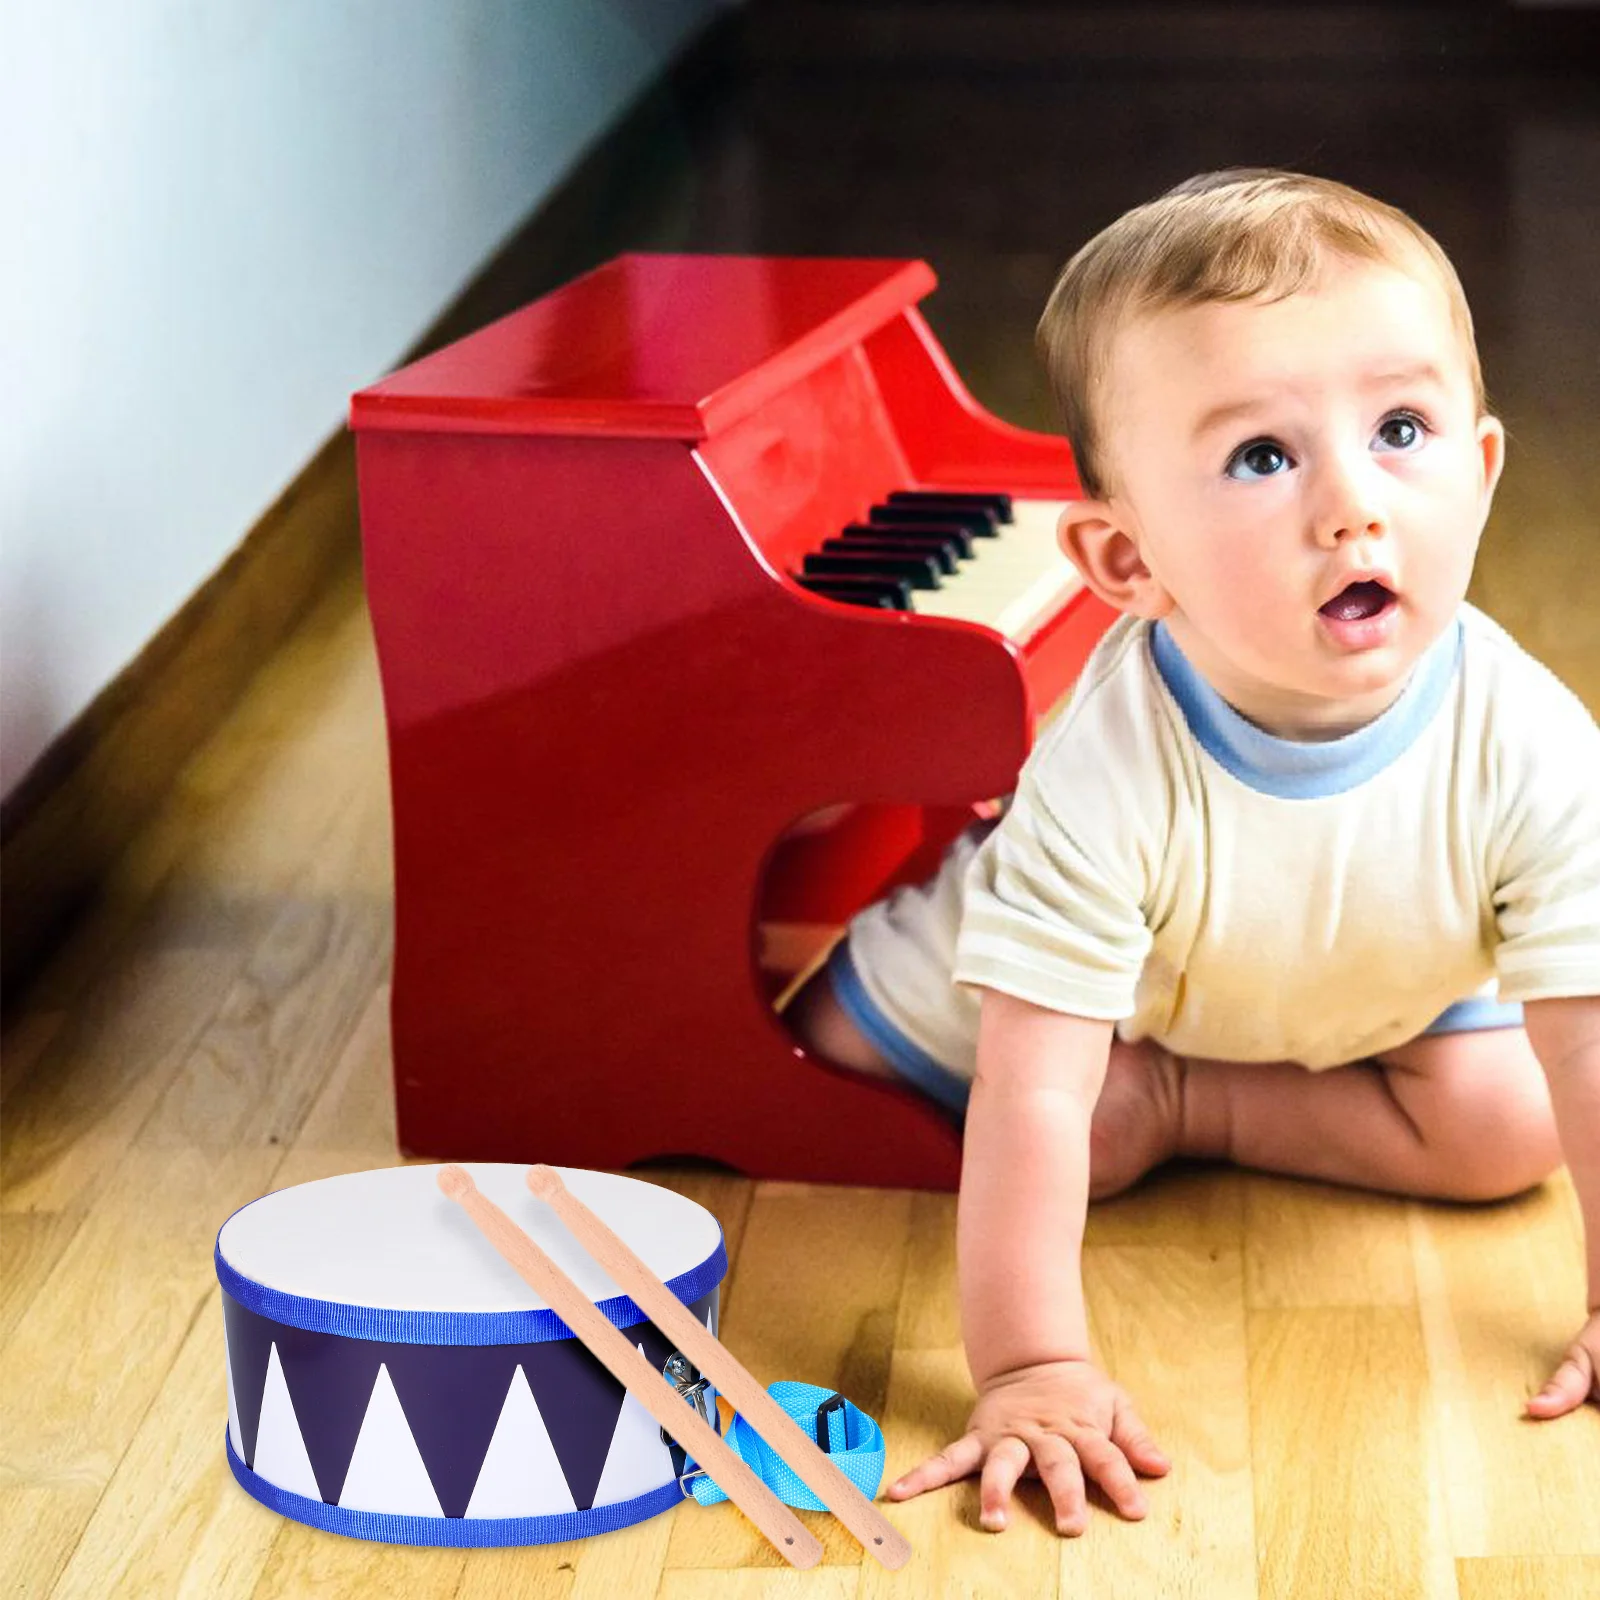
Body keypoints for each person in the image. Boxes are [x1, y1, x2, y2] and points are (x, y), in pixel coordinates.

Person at [783, 168, 1600, 1538]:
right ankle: (1152, 1086)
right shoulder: (1111, 764)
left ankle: (1190, 1106)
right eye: (1263, 457)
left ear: (1482, 471)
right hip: (1123, 994)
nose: (1351, 505)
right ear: (1126, 560)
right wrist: (1032, 1367)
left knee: (1508, 1124)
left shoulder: (1529, 740)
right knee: (829, 1061)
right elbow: (1037, 1090)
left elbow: (1588, 1039)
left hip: (1374, 987)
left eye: (1401, 429)